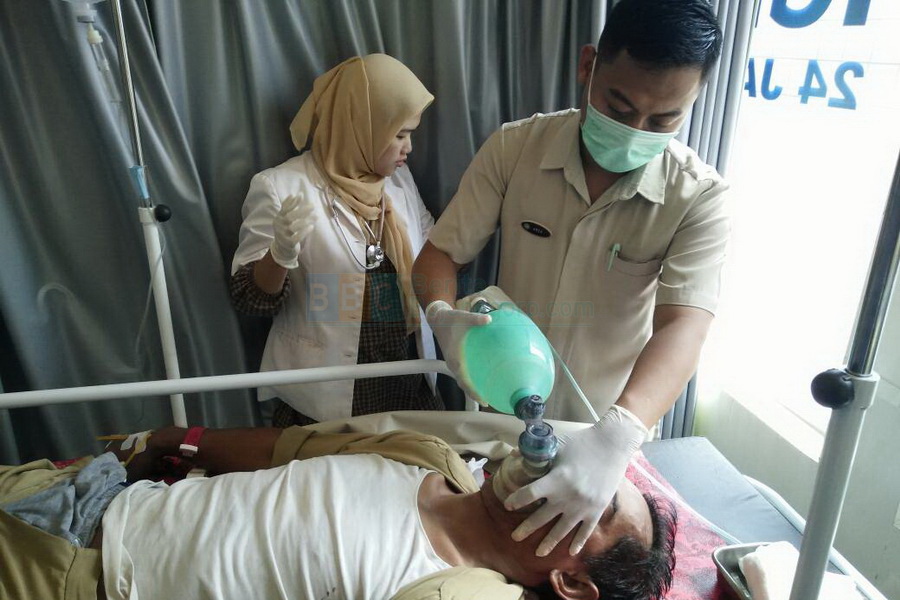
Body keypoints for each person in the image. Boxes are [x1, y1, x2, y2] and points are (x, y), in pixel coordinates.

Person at [413, 0, 727, 558]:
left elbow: (685, 326)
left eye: (663, 121)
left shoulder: (698, 198)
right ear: (588, 66)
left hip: (607, 438)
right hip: (502, 424)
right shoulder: (516, 149)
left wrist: (618, 434)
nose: (634, 131)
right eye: (619, 107)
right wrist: (442, 318)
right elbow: (439, 256)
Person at [0, 426, 677, 600]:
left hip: (67, 581)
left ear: (571, 582)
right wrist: (171, 439)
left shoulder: (462, 591)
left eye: (595, 504)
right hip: (96, 491)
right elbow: (286, 449)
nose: (568, 474)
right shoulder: (430, 455)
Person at [230, 54, 441, 427]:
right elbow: (249, 299)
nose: (409, 147)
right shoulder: (281, 187)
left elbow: (432, 249)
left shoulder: (398, 181)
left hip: (407, 380)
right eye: (399, 135)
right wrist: (279, 255)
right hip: (329, 394)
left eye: (411, 133)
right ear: (361, 126)